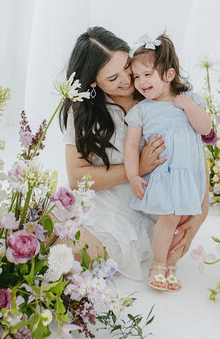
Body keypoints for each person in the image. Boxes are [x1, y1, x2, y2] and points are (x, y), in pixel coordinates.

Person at [60, 27, 209, 282]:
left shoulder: (156, 94)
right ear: (94, 82)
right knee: (50, 242)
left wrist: (200, 213)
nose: (127, 80)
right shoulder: (84, 113)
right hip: (103, 203)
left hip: (148, 211)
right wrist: (139, 166)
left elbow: (193, 153)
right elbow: (77, 178)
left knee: (80, 258)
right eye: (112, 77)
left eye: (127, 66)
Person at [124, 34, 212, 291]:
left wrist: (188, 107)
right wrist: (132, 175)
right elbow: (131, 147)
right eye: (136, 77)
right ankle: (158, 265)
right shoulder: (142, 110)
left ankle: (172, 264)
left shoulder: (190, 100)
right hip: (166, 175)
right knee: (169, 217)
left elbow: (205, 128)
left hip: (190, 174)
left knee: (182, 219)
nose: (140, 82)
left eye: (147, 75)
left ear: (169, 75)